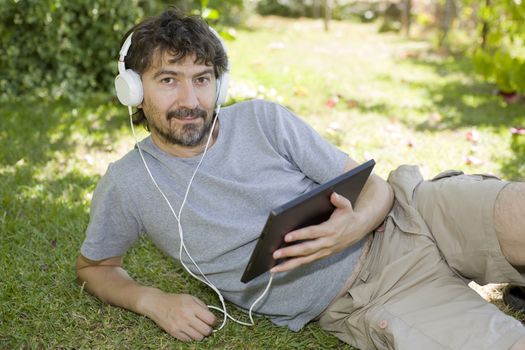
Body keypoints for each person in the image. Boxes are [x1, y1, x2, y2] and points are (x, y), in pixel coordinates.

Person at [76, 7, 525, 349]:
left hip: (416, 212)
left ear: (221, 84)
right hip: (373, 294)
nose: (191, 99)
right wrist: (152, 300)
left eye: (203, 78)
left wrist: (352, 224)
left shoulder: (263, 119)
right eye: (168, 80)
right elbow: (95, 268)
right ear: (132, 90)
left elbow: (374, 186)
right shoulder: (129, 183)